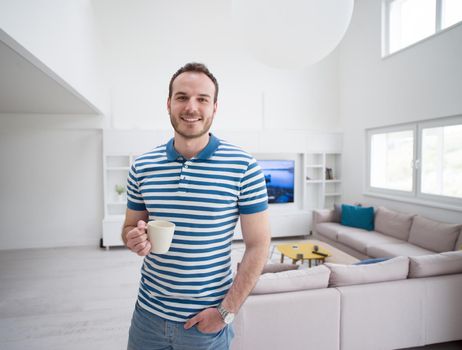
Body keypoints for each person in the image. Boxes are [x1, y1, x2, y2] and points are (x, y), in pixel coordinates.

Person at [122, 62, 271, 350]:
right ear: (168, 104)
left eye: (202, 99)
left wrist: (225, 313)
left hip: (206, 325)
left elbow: (259, 245)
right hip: (147, 318)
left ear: (215, 107)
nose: (191, 107)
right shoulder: (142, 166)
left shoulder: (244, 167)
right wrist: (132, 238)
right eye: (182, 97)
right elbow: (129, 227)